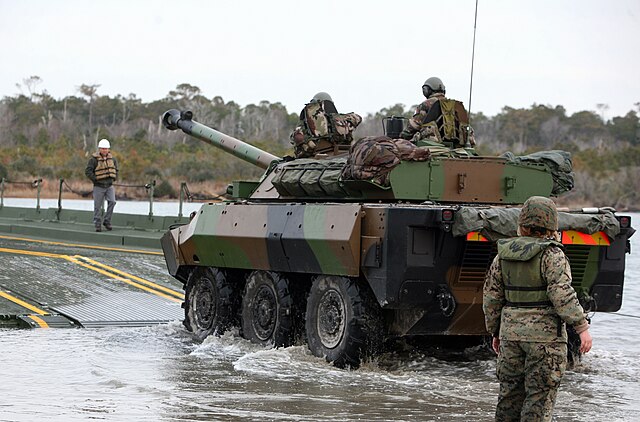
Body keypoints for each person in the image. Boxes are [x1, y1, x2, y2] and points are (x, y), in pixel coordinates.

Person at [483, 196, 593, 422]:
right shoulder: (552, 255)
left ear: (522, 223)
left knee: (509, 396)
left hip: (510, 336)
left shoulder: (502, 256)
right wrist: (581, 327)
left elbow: (492, 298)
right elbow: (562, 294)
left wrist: (495, 331)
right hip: (545, 340)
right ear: (552, 225)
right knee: (539, 398)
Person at [400, 77, 475, 147]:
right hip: (458, 148)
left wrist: (401, 137)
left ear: (427, 90)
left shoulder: (426, 104)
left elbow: (413, 127)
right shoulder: (455, 105)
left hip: (431, 145)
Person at [290, 92, 362, 158]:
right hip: (340, 153)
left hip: (312, 157)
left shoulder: (301, 128)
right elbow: (357, 118)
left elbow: (295, 142)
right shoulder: (340, 121)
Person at [85, 138, 118, 232]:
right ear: (99, 149)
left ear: (108, 149)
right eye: (102, 148)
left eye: (106, 148)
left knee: (112, 201)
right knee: (97, 206)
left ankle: (107, 221)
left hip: (109, 186)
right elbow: (88, 171)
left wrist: (114, 178)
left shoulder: (113, 159)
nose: (104, 150)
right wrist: (95, 179)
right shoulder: (93, 160)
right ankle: (97, 223)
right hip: (98, 186)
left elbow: (116, 170)